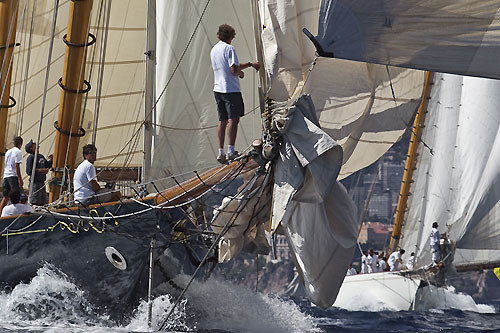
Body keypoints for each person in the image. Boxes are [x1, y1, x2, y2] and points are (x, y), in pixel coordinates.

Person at [210, 24, 260, 164]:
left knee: (223, 120)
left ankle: (221, 152)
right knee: (234, 119)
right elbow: (233, 69)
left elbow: (230, 66)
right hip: (230, 89)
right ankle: (231, 151)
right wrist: (241, 74)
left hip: (218, 89)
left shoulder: (214, 50)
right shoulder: (229, 48)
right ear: (231, 37)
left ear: (219, 36)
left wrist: (250, 64)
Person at [25, 139, 52, 206]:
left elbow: (47, 165)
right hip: (35, 184)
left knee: (43, 202)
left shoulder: (40, 156)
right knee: (35, 202)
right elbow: (29, 171)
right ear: (31, 148)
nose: (35, 144)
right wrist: (41, 171)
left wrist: (51, 160)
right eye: (33, 144)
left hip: (42, 183)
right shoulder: (31, 158)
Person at [0, 136, 24, 214]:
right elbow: (17, 166)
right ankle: (15, 214)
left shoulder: (8, 152)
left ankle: (1, 215)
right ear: (20, 144)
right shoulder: (18, 152)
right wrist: (20, 179)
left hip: (6, 175)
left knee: (5, 197)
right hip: (13, 176)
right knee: (16, 197)